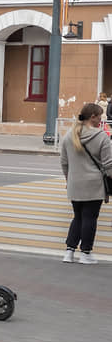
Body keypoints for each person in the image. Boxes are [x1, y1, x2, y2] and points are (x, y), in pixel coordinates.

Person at [59, 102, 112, 264]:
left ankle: (69, 252)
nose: (101, 120)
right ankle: (86, 253)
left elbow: (64, 162)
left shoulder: (70, 135)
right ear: (93, 117)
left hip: (75, 184)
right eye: (100, 116)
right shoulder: (101, 136)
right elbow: (109, 164)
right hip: (94, 185)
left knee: (78, 217)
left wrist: (69, 180)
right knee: (90, 218)